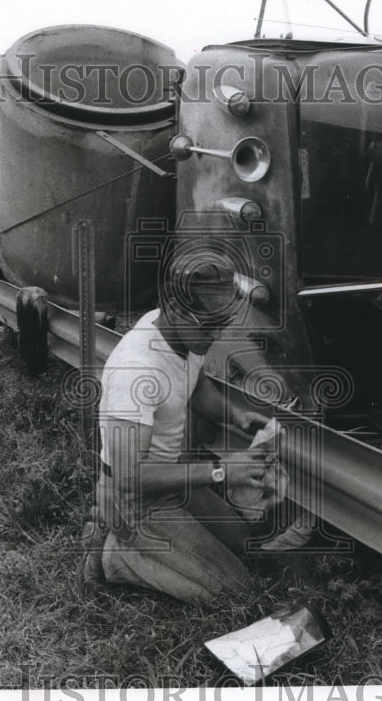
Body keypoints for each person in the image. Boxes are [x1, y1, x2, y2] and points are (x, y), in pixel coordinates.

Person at [81, 252, 270, 602]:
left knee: (244, 542)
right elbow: (128, 476)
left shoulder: (185, 335)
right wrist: (220, 471)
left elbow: (197, 387)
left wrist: (236, 416)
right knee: (233, 592)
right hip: (132, 499)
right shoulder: (137, 370)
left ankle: (150, 545)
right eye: (208, 325)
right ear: (174, 307)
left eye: (221, 323)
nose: (215, 335)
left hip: (169, 480)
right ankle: (116, 557)